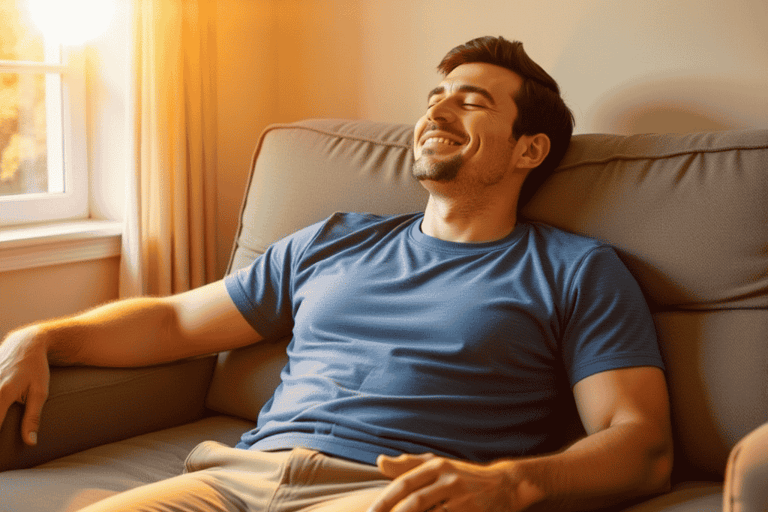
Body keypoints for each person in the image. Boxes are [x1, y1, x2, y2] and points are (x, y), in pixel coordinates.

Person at [0, 36, 672, 511]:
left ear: (530, 148)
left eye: (471, 102)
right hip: (231, 479)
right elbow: (176, 320)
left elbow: (641, 445)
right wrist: (43, 338)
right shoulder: (332, 240)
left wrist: (512, 484)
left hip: (385, 493)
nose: (434, 112)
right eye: (435, 96)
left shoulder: (576, 270)